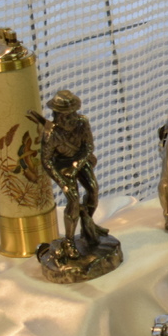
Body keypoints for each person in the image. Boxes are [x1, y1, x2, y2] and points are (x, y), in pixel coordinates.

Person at [39, 89, 105, 255]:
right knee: (73, 199)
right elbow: (46, 161)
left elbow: (88, 147)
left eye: (73, 113)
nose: (71, 118)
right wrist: (63, 184)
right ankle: (69, 241)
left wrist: (76, 165)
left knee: (93, 190)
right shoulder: (51, 134)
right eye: (66, 115)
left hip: (81, 159)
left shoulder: (82, 123)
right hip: (61, 166)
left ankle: (87, 224)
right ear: (57, 115)